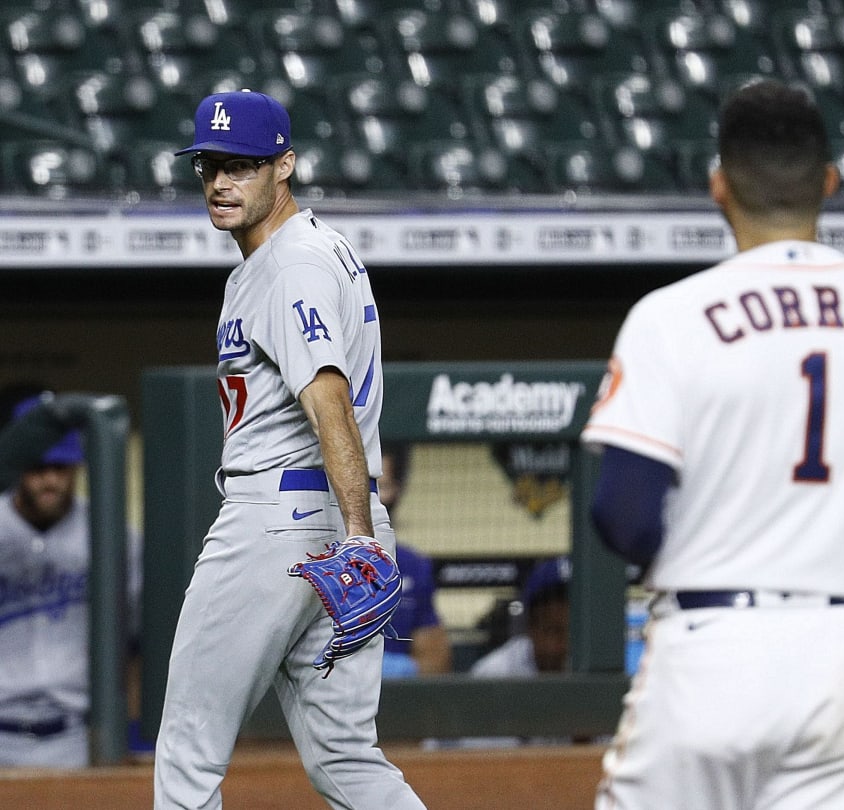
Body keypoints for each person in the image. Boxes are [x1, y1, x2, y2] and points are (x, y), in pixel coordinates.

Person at [582, 79, 844, 810]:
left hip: (711, 640)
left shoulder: (670, 317)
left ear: (718, 187)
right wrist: (835, 523)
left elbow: (624, 514)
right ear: (829, 183)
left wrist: (741, 523)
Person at [152, 90, 425, 809]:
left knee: (188, 748)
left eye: (241, 166)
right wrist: (362, 529)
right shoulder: (315, 249)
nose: (219, 183)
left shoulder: (289, 263)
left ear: (285, 166)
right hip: (333, 521)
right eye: (209, 165)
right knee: (346, 758)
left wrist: (359, 534)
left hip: (280, 521)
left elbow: (326, 394)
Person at [0, 390, 142, 768]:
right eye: (38, 468)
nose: (49, 480)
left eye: (60, 468)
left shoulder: (114, 534)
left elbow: (137, 641)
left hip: (77, 738)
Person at [377, 442, 452, 678]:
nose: (372, 497)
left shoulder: (412, 566)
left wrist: (393, 671)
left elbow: (436, 663)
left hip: (396, 703)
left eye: (382, 486)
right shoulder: (318, 560)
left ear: (396, 490)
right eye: (365, 485)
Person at [469, 556, 571, 677]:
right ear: (529, 627)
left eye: (573, 632)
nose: (565, 644)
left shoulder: (597, 664)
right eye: (553, 631)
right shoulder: (495, 673)